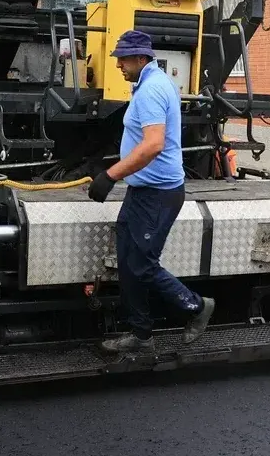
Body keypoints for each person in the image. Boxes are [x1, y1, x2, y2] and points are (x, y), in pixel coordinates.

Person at [87, 30, 215, 354]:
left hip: (158, 194)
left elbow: (154, 144)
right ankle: (141, 335)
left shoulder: (152, 89)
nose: (118, 65)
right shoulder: (149, 84)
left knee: (142, 264)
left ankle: (197, 307)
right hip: (142, 191)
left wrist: (109, 176)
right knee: (128, 263)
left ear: (140, 58)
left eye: (123, 59)